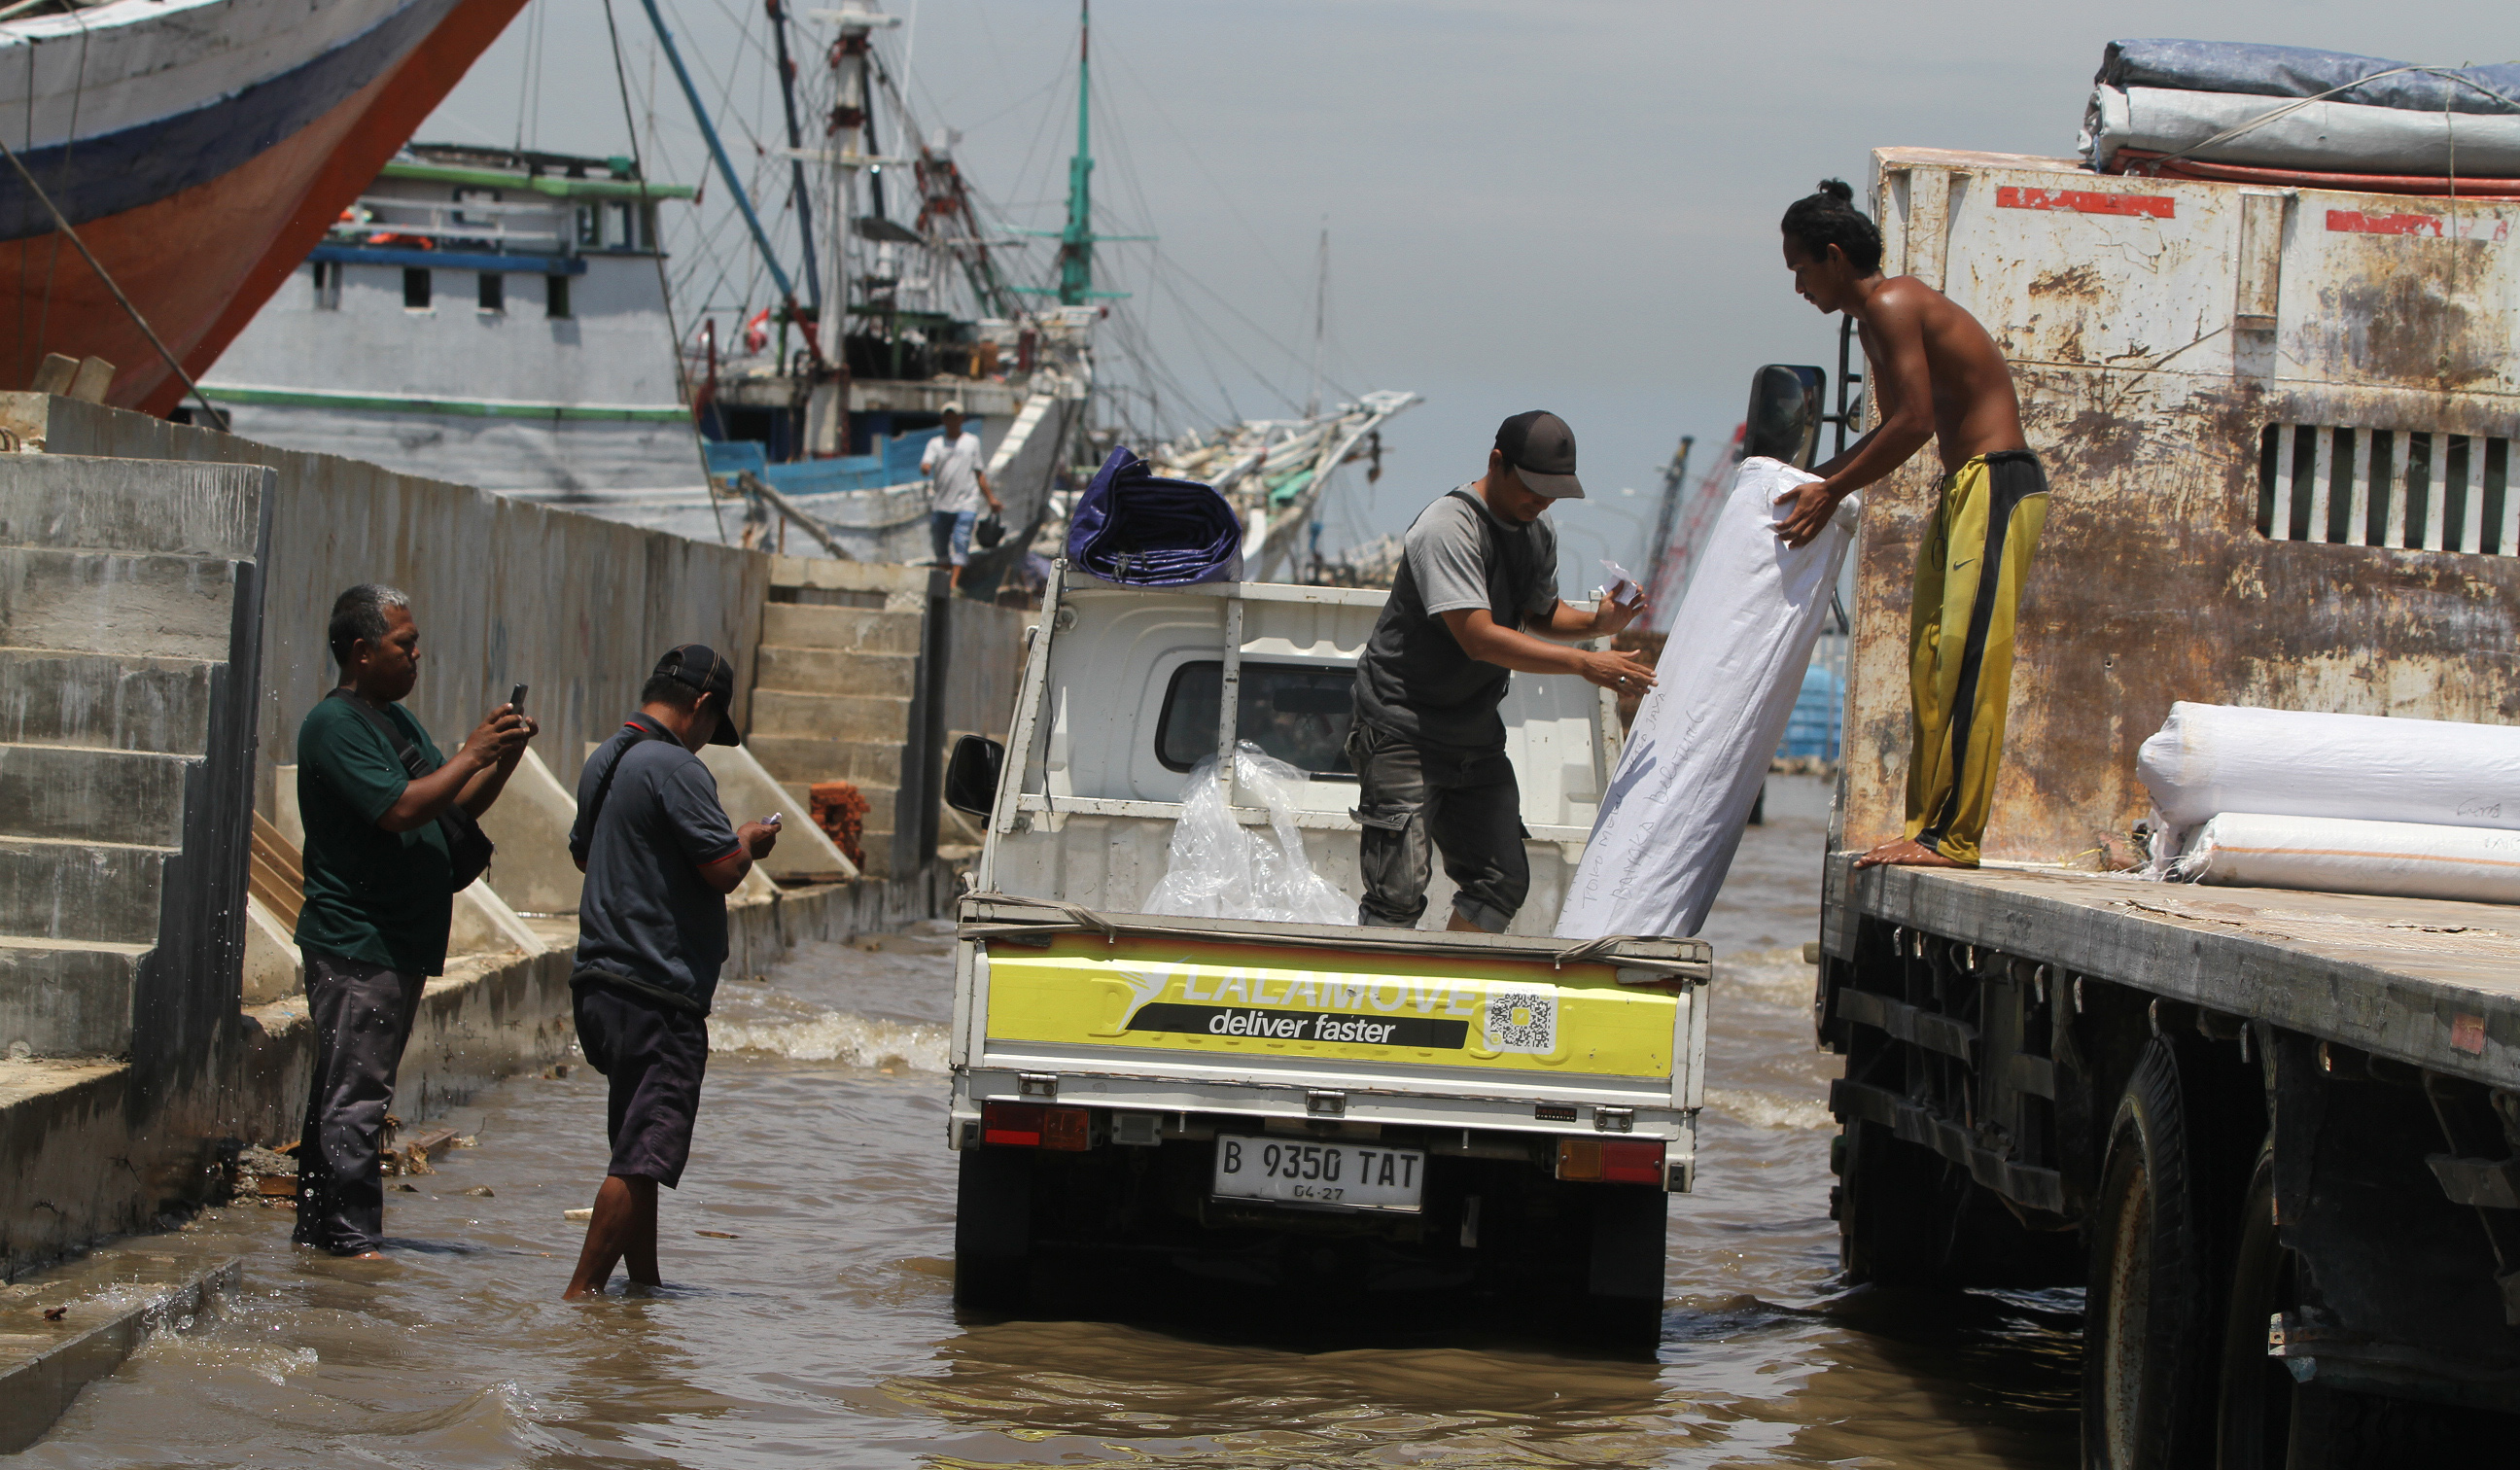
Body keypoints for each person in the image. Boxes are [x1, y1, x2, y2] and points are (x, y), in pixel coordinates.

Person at [1772, 179, 2050, 871]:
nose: (1798, 288)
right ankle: (1925, 829)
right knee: (1930, 661)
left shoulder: (1893, 302)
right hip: (1964, 488)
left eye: (1800, 269)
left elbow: (1915, 422)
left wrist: (1830, 489)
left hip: (1999, 482)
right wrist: (1808, 484)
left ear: (1834, 256)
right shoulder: (1872, 320)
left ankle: (1952, 841)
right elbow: (1893, 429)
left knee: (1965, 661)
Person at [292, 584, 535, 1258]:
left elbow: (451, 805)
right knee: (358, 1098)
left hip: (398, 941)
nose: (417, 655)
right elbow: (398, 809)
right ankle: (350, 1243)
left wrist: (501, 755)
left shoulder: (395, 723)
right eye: (404, 644)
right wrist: (470, 750)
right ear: (363, 651)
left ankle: (319, 1234)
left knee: (347, 1093)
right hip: (358, 942)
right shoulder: (334, 725)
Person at [1348, 411, 1658, 933]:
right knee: (1396, 894)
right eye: (1533, 488)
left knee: (1501, 881)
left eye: (1554, 493)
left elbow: (1538, 615)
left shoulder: (1536, 530)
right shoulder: (1446, 528)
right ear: (1497, 463)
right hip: (1402, 727)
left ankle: (1444, 993)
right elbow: (1479, 636)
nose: (1541, 502)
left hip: (1472, 732)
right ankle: (1381, 1007)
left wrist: (1599, 621)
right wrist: (1585, 662)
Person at [563, 645, 779, 1299]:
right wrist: (749, 842)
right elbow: (722, 868)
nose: (711, 743)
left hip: (601, 986)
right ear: (703, 706)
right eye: (715, 728)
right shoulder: (675, 768)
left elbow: (583, 853)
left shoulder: (606, 759)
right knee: (641, 1156)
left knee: (637, 1153)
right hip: (657, 993)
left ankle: (644, 1291)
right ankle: (580, 1301)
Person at [922, 403, 1001, 590]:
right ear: (943, 420)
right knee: (940, 546)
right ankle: (945, 580)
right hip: (942, 504)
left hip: (966, 502)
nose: (951, 421)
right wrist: (925, 468)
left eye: (954, 417)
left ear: (961, 419)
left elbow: (979, 473)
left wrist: (990, 499)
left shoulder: (971, 442)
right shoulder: (935, 444)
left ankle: (952, 583)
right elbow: (926, 463)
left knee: (961, 541)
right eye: (948, 417)